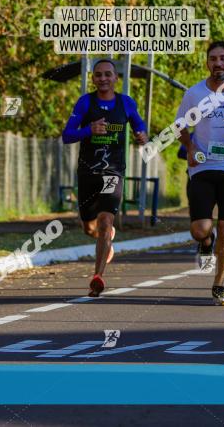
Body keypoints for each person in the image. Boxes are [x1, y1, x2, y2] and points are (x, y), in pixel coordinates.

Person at [177, 41, 224, 306]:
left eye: (223, 58)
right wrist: (188, 147)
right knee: (201, 229)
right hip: (203, 166)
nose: (218, 63)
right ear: (207, 63)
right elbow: (180, 126)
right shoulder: (194, 93)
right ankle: (205, 243)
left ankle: (219, 285)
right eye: (213, 59)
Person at [62, 59, 148, 296]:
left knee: (104, 223)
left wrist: (142, 137)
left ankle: (97, 277)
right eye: (98, 75)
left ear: (115, 78)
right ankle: (106, 239)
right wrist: (89, 129)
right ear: (93, 78)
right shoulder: (85, 102)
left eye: (108, 74)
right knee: (90, 227)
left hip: (113, 172)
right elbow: (67, 135)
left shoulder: (126, 103)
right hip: (88, 173)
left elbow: (141, 127)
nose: (103, 79)